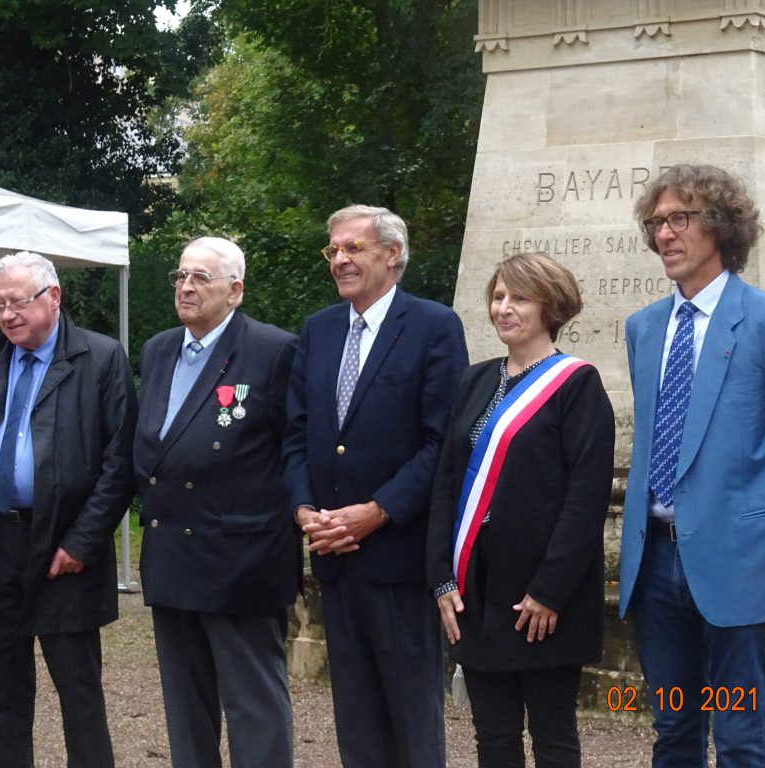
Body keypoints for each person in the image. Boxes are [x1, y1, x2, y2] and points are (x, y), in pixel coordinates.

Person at [620, 164, 765, 767]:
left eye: (679, 219)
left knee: (740, 734)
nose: (664, 234)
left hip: (741, 561)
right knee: (674, 728)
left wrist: (759, 532)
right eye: (656, 222)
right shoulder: (644, 328)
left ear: (720, 225)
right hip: (655, 562)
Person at [283, 204, 469, 767]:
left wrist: (379, 510)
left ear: (392, 254)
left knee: (412, 724)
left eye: (353, 248)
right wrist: (304, 509)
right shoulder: (317, 330)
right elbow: (295, 435)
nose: (339, 259)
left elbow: (443, 443)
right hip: (335, 562)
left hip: (398, 559)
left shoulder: (434, 326)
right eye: (333, 250)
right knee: (358, 728)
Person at [0, 251, 137, 768]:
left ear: (53, 297)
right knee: (0, 690)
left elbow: (120, 463)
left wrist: (81, 542)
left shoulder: (100, 357)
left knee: (78, 691)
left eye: (19, 302)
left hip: (63, 545)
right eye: (0, 303)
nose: (8, 314)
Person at [426, 252, 615, 768]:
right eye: (498, 296)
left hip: (543, 599)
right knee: (493, 738)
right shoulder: (474, 380)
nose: (503, 308)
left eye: (519, 298)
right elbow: (445, 483)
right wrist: (442, 577)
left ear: (551, 307)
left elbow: (586, 498)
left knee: (553, 738)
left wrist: (549, 590)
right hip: (476, 589)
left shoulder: (578, 386)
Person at [134, 236, 299, 767]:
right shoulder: (159, 349)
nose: (186, 286)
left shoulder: (273, 350)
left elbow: (295, 450)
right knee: (186, 710)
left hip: (241, 561)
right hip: (173, 554)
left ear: (235, 290)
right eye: (181, 276)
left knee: (254, 709)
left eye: (201, 277)